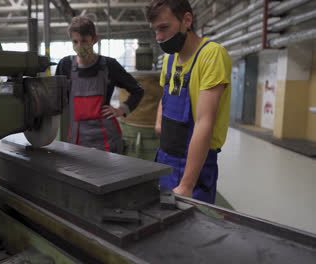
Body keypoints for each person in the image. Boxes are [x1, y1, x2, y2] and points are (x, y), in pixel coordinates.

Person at [145, 0, 231, 203]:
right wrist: (159, 124)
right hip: (165, 157)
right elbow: (165, 94)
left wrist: (187, 184)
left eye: (164, 28)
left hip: (193, 166)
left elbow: (204, 123)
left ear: (187, 20)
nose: (159, 37)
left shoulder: (211, 55)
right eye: (155, 30)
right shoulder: (169, 59)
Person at [56, 16, 144, 153]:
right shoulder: (65, 65)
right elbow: (56, 98)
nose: (79, 46)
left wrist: (121, 110)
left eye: (84, 41)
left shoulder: (109, 65)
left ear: (95, 40)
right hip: (77, 139)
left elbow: (138, 90)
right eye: (75, 42)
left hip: (107, 140)